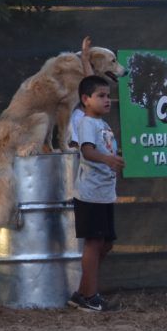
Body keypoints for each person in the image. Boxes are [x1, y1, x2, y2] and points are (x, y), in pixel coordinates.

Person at [67, 74, 122, 312]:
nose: (107, 100)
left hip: (105, 193)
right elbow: (87, 152)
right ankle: (90, 297)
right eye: (101, 96)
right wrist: (108, 159)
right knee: (94, 242)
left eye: (108, 96)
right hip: (90, 194)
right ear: (85, 99)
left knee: (106, 243)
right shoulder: (87, 123)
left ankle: (81, 293)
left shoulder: (103, 124)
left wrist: (113, 161)